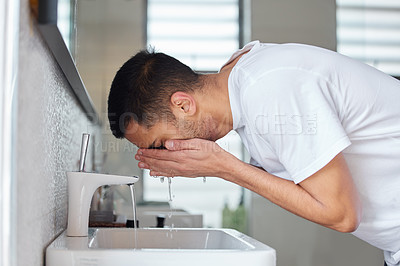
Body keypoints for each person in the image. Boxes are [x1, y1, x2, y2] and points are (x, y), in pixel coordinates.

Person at [107, 41, 400, 266]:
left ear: (183, 105)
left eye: (160, 143)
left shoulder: (268, 89)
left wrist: (224, 167)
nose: (167, 153)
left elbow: (343, 214)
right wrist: (217, 166)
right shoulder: (242, 84)